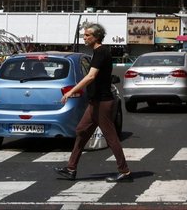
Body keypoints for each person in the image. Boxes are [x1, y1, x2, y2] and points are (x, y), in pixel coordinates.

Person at [54, 23, 132, 183]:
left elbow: (91, 76)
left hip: (102, 102)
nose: (85, 37)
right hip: (95, 102)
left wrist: (71, 91)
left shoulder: (101, 52)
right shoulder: (98, 52)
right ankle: (71, 168)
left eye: (87, 35)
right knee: (82, 131)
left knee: (111, 137)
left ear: (96, 37)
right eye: (84, 35)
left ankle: (124, 171)